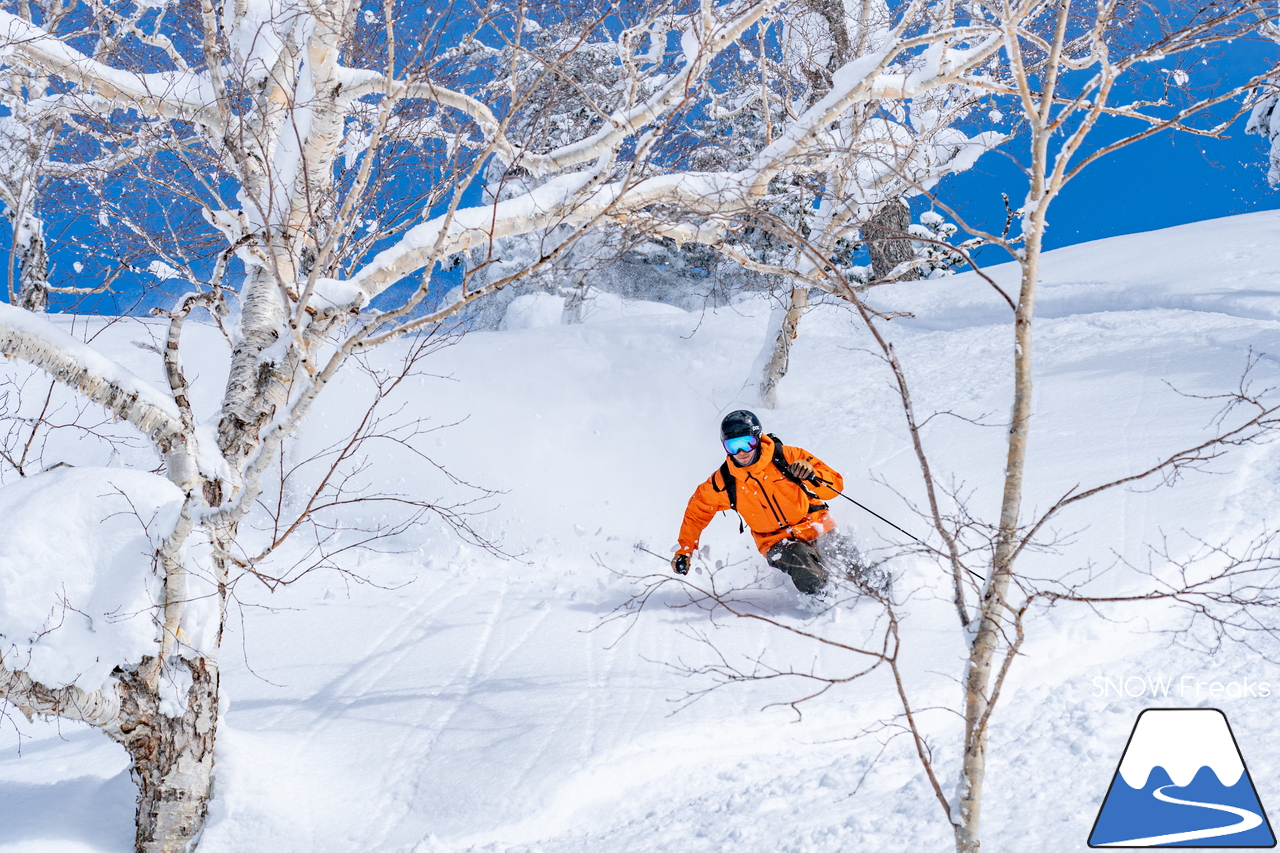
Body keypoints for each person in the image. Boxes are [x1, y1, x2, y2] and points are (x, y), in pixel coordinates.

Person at [672, 410, 858, 596]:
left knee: (849, 558)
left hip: (815, 524)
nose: (742, 452)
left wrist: (812, 474)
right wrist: (684, 550)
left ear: (758, 438)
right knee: (799, 556)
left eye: (747, 442)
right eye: (733, 446)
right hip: (775, 541)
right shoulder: (724, 482)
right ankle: (825, 604)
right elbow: (696, 513)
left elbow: (835, 486)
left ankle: (881, 591)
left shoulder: (787, 457)